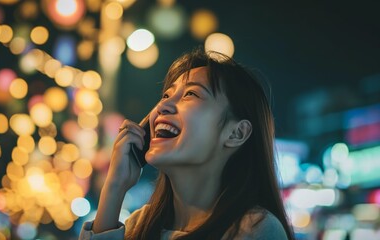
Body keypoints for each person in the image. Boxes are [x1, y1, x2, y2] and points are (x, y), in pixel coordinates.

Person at [79, 48, 295, 239]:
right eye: (166, 95)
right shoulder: (138, 225)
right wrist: (114, 188)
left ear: (236, 133)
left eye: (191, 93)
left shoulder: (255, 230)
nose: (163, 106)